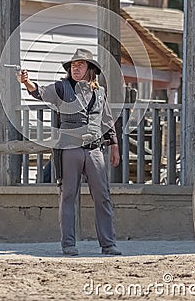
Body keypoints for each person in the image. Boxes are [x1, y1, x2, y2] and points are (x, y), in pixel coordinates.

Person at [17, 48, 121, 256]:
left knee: (102, 196)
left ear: (90, 69)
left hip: (94, 150)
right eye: (73, 65)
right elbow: (40, 92)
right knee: (68, 196)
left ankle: (108, 244)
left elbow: (107, 120)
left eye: (80, 65)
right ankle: (68, 244)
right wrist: (26, 82)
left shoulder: (100, 92)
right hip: (70, 149)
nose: (76, 68)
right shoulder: (62, 87)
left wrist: (114, 146)